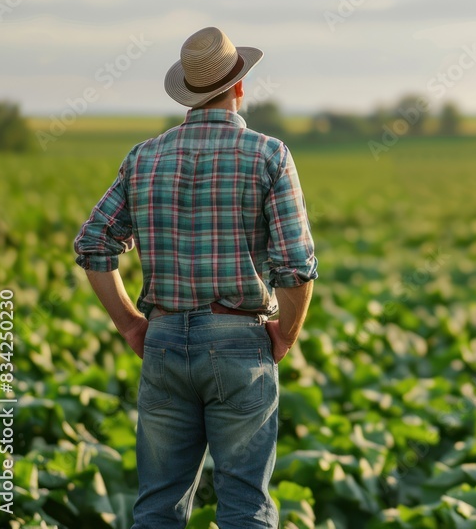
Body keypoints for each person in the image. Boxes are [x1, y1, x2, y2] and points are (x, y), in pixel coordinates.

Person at [74, 26, 317, 528]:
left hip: (162, 342)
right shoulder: (269, 155)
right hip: (239, 341)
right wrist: (285, 336)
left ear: (187, 95)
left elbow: (93, 244)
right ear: (240, 87)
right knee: (245, 506)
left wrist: (131, 324)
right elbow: (295, 268)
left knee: (158, 508)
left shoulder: (144, 156)